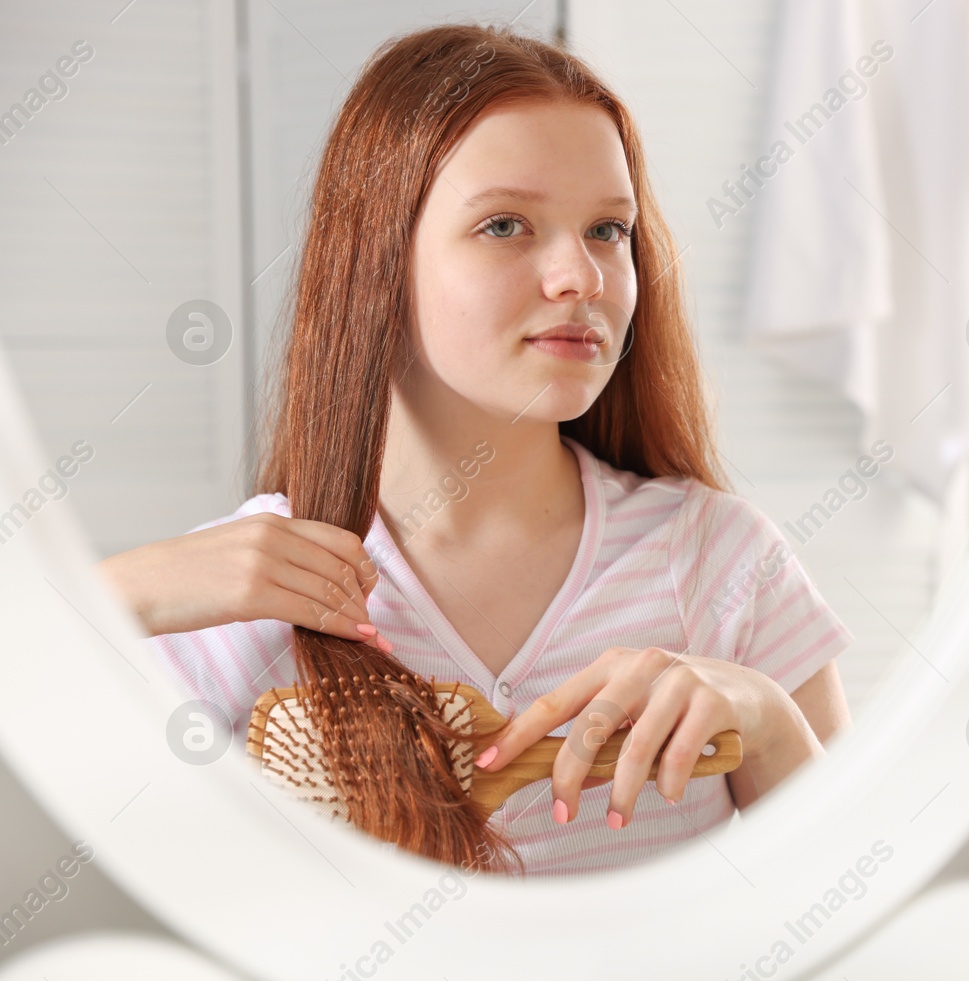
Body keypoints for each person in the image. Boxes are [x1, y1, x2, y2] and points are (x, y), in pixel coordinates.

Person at [95, 24, 853, 875]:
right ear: (376, 263)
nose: (582, 276)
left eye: (609, 230)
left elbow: (861, 923)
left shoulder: (723, 562)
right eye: (505, 225)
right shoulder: (237, 593)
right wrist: (111, 597)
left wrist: (769, 721)